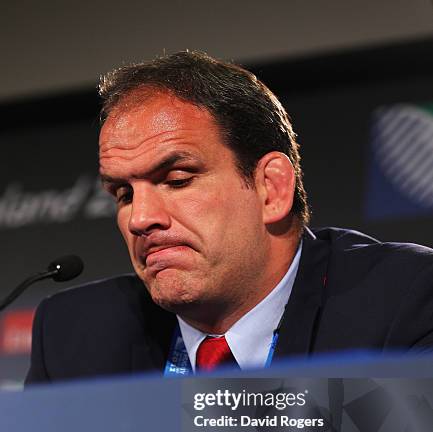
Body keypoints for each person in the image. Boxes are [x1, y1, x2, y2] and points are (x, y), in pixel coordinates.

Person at [26, 51, 433, 384]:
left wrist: (195, 416)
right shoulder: (73, 334)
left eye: (177, 179)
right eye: (124, 194)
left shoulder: (404, 298)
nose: (140, 219)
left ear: (270, 189)